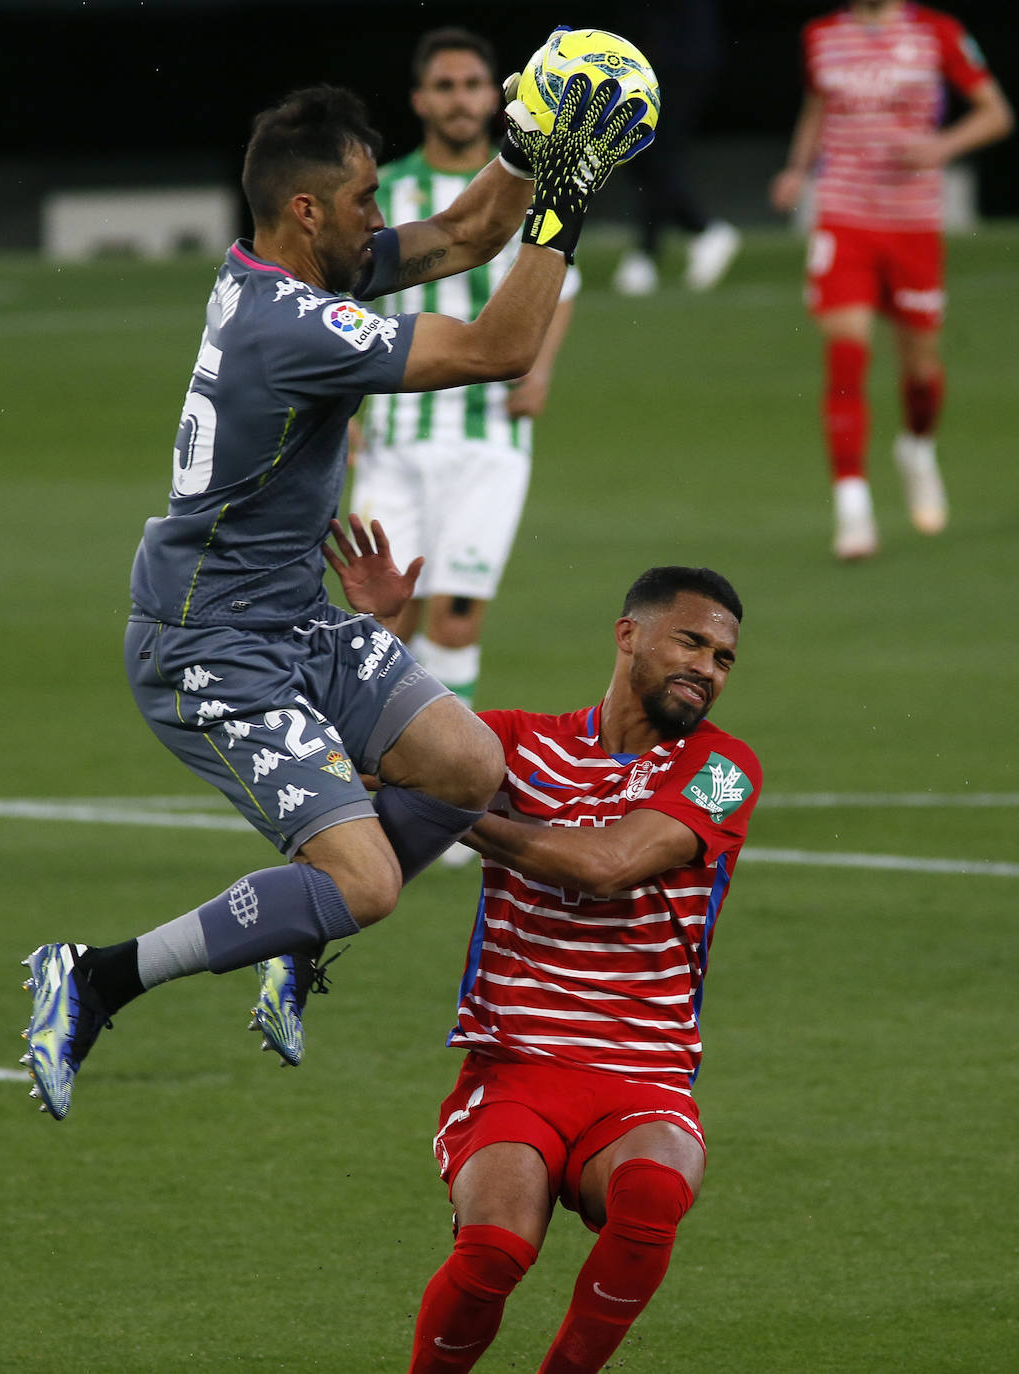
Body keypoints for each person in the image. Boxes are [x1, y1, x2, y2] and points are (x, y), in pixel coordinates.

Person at [19, 67, 655, 1121]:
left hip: (293, 612)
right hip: (208, 645)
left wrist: (528, 145)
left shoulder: (295, 274)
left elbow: (459, 234)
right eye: (365, 199)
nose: (383, 216)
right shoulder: (290, 327)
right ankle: (92, 978)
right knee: (366, 882)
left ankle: (294, 931)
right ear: (306, 210)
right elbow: (499, 348)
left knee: (466, 767)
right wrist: (569, 202)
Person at [322, 516, 761, 1374]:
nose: (707, 670)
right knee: (493, 1253)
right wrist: (380, 634)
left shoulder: (722, 768)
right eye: (692, 643)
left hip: (643, 1075)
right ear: (628, 634)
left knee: (651, 1200)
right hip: (514, 1069)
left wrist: (457, 814)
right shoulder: (517, 745)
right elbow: (354, 756)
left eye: (723, 660)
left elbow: (609, 866)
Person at [353, 27, 579, 722]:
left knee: (454, 620)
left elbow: (559, 284)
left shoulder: (524, 191)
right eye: (445, 86)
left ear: (494, 96)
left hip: (489, 436)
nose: (460, 99)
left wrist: (539, 368)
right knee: (385, 626)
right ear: (421, 100)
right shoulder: (385, 192)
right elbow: (346, 299)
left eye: (473, 85)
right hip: (393, 436)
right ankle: (382, 784)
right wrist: (352, 408)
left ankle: (441, 804)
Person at [769, 0, 1013, 559]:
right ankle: (852, 509)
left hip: (912, 224)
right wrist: (797, 169)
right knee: (847, 355)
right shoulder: (822, 36)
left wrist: (941, 146)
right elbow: (817, 108)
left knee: (922, 371)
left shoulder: (938, 33)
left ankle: (917, 448)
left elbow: (995, 112)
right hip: (844, 217)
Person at [612, 0, 742, 295]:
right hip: (660, 55)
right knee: (646, 154)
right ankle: (652, 251)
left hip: (678, 59)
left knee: (652, 152)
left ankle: (694, 233)